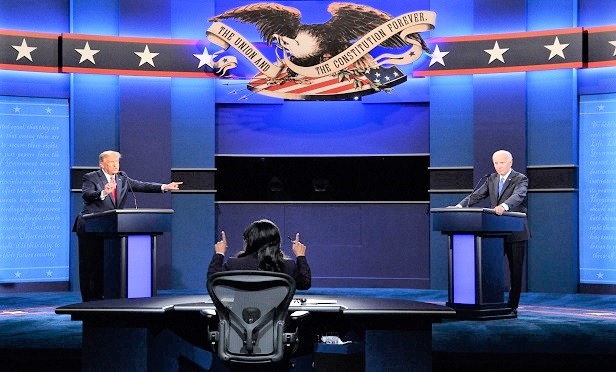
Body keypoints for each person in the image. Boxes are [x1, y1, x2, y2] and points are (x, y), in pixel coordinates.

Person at [73, 150, 183, 301]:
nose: (115, 165)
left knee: (108, 266)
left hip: (111, 229)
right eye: (111, 162)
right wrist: (103, 192)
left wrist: (164, 187)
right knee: (91, 267)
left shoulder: (122, 178)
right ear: (102, 164)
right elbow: (86, 195)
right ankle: (89, 301)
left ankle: (108, 298)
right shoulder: (91, 177)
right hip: (90, 228)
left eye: (117, 162)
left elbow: (142, 186)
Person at [453, 149, 529, 314]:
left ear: (510, 162)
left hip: (516, 232)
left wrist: (504, 206)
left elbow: (519, 196)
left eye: (502, 163)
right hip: (495, 232)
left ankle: (512, 306)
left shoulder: (520, 178)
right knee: (490, 267)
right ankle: (490, 302)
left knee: (515, 271)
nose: (498, 166)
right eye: (496, 163)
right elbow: (476, 196)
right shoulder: (491, 179)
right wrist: (459, 206)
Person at [207, 219, 311, 290]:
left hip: (240, 320)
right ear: (277, 242)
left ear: (248, 241)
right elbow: (305, 284)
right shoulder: (288, 266)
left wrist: (219, 254)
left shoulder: (233, 265)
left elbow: (212, 282)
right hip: (276, 322)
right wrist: (300, 256)